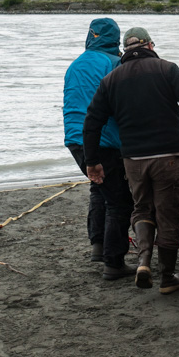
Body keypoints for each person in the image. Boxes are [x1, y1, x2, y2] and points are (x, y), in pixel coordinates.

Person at [83, 27, 179, 292]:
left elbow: (92, 121)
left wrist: (91, 160)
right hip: (168, 156)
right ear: (150, 45)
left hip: (133, 159)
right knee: (168, 214)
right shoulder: (167, 69)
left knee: (141, 208)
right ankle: (167, 277)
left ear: (125, 49)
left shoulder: (111, 79)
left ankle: (143, 261)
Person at [61, 18, 135, 280]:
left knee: (98, 188)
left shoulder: (75, 64)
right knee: (119, 201)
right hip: (103, 142)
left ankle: (98, 246)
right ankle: (114, 263)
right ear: (115, 39)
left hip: (74, 141)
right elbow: (123, 104)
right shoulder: (113, 64)